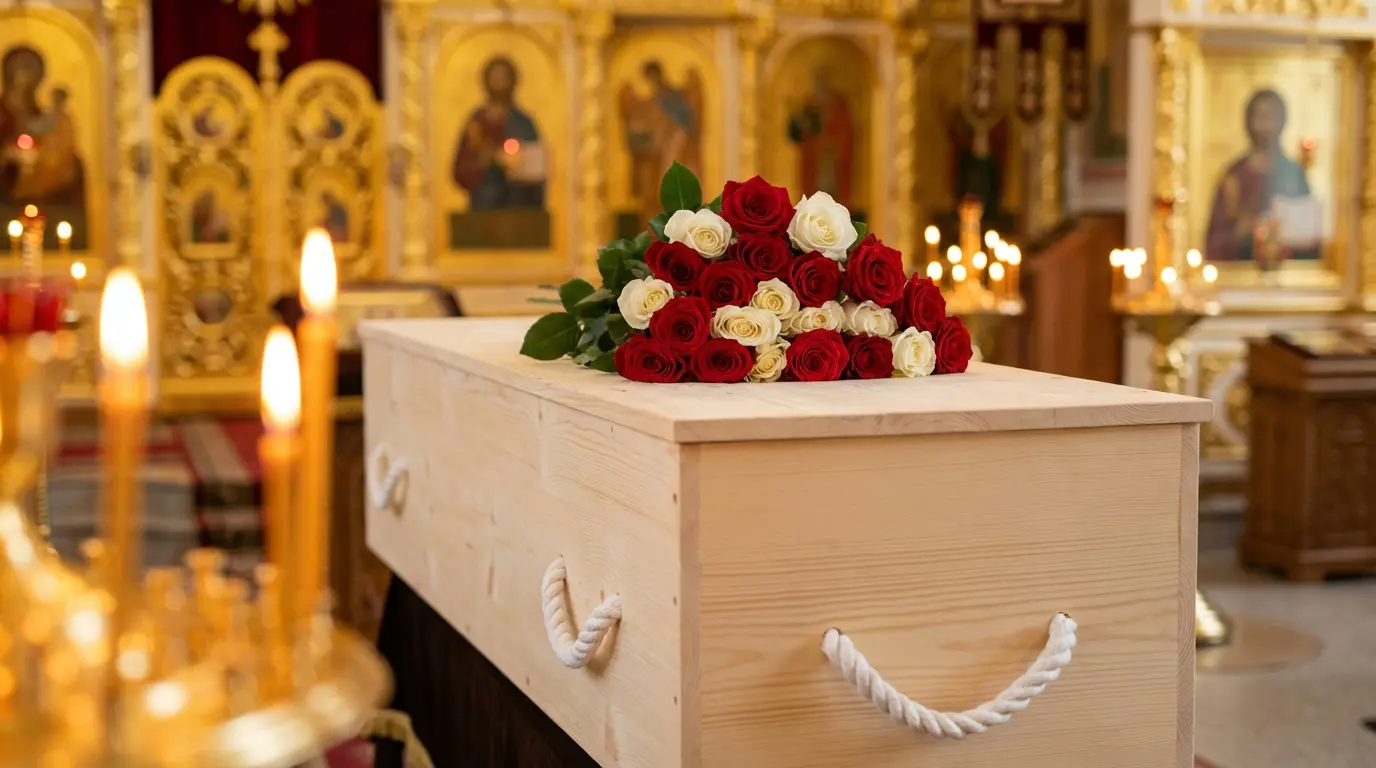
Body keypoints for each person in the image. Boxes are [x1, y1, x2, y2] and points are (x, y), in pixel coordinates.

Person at [1204, 88, 1319, 262]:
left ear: (1282, 122)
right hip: (1239, 273)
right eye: (1258, 116)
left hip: (1289, 275)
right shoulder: (1235, 176)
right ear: (1248, 122)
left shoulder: (1293, 173)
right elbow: (1214, 241)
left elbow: (1310, 239)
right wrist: (1242, 228)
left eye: (1270, 117)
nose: (1264, 126)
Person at [451, 56, 544, 211]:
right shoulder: (476, 123)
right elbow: (460, 170)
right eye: (495, 77)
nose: (499, 83)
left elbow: (536, 169)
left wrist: (514, 163)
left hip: (518, 206)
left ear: (512, 81)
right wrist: (481, 162)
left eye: (503, 78)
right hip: (483, 207)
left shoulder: (522, 122)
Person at [0, 46, 86, 207]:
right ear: (8, 75)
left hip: (44, 203)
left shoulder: (49, 119)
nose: (26, 78)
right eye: (20, 70)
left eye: (32, 71)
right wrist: (7, 155)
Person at [621, 61, 701, 228]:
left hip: (672, 150)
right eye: (648, 79)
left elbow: (683, 124)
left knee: (669, 189)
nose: (651, 82)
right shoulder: (652, 101)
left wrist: (663, 133)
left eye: (652, 77)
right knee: (652, 193)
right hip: (655, 155)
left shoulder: (672, 98)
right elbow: (643, 127)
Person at [788, 68, 853, 206]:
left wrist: (832, 143)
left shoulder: (838, 103)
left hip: (831, 156)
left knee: (830, 187)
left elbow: (845, 130)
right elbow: (800, 133)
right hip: (814, 157)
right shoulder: (809, 103)